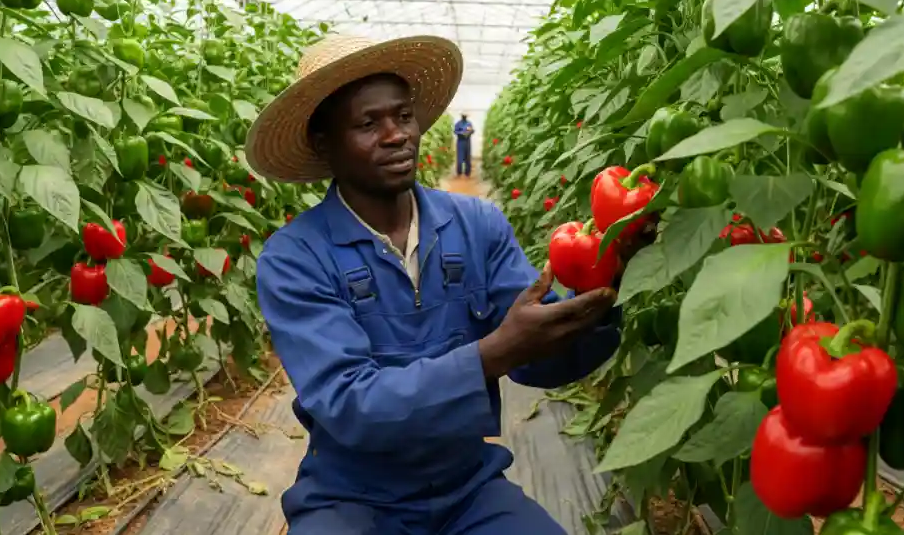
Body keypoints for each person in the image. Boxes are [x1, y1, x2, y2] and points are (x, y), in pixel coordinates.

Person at [245, 34, 646, 535]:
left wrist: (609, 277)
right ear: (325, 144)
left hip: (465, 487)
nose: (397, 135)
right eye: (368, 123)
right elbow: (351, 405)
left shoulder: (476, 225)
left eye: (404, 116)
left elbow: (541, 361)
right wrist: (492, 353)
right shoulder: (296, 257)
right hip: (350, 496)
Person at [454, 112, 474, 177]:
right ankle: (459, 172)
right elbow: (455, 131)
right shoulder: (458, 123)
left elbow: (472, 130)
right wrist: (461, 133)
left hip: (467, 142)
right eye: (463, 116)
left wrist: (469, 132)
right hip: (460, 142)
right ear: (461, 116)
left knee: (467, 157)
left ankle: (467, 172)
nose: (464, 117)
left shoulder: (469, 123)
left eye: (465, 116)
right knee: (460, 158)